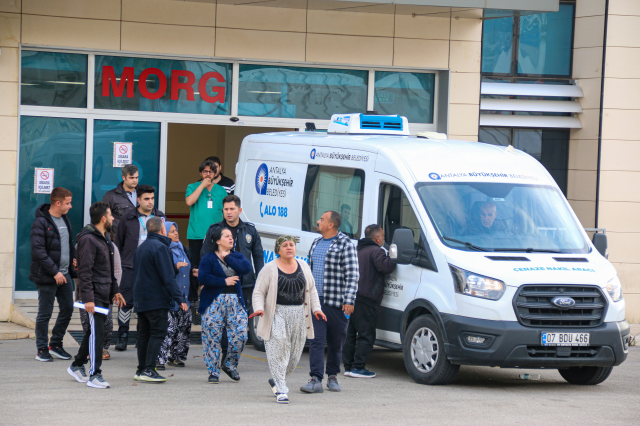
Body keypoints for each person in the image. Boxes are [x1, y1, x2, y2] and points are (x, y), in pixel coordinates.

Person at [251, 236, 326, 404]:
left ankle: (277, 380)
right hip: (276, 313)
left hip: (299, 314)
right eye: (285, 245)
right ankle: (282, 391)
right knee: (279, 348)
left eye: (291, 245)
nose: (289, 247)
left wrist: (317, 309)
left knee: (294, 357)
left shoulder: (304, 266)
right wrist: (259, 308)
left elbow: (312, 290)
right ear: (278, 249)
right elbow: (258, 292)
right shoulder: (269, 268)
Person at [67, 202, 125, 389]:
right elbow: (85, 271)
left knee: (93, 333)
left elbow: (108, 270)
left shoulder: (104, 238)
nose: (113, 218)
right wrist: (88, 299)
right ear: (103, 219)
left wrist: (115, 290)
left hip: (103, 292)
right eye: (110, 215)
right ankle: (95, 374)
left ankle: (77, 365)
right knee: (97, 334)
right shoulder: (88, 240)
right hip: (94, 296)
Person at [300, 211, 359, 394]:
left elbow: (352, 274)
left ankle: (332, 376)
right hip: (316, 302)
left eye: (322, 220)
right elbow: (309, 271)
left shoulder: (345, 244)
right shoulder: (316, 242)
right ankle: (315, 379)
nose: (318, 221)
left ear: (331, 225)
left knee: (335, 342)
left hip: (337, 303)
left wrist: (349, 300)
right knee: (316, 340)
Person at [201, 195, 264, 356]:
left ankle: (231, 354)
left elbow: (258, 256)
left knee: (239, 323)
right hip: (221, 283)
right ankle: (223, 355)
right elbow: (205, 254)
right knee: (220, 321)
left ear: (239, 210)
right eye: (226, 209)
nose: (229, 212)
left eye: (232, 209)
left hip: (245, 284)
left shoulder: (250, 230)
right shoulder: (214, 230)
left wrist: (261, 280)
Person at [132, 217, 188, 383]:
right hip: (156, 299)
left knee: (143, 334)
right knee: (157, 333)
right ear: (162, 230)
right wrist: (179, 298)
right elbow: (168, 276)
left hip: (141, 299)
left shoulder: (140, 248)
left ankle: (141, 368)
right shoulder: (161, 247)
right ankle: (149, 368)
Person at [114, 185, 166, 351]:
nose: (150, 202)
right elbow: (119, 242)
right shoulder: (128, 217)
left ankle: (142, 336)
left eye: (152, 198)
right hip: (130, 265)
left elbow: (166, 240)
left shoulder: (160, 217)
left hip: (153, 268)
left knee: (148, 302)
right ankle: (122, 336)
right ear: (138, 200)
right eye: (146, 199)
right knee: (126, 301)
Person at [29, 187, 77, 362]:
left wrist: (74, 259)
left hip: (64, 275)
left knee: (67, 309)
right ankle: (41, 348)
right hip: (47, 275)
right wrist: (54, 271)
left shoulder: (65, 219)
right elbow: (38, 251)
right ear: (58, 203)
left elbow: (68, 244)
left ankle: (55, 344)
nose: (70, 206)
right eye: (67, 203)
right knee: (45, 313)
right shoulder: (40, 222)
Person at [342, 225, 396, 378]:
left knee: (350, 334)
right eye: (383, 236)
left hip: (351, 298)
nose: (384, 239)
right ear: (377, 238)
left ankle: (348, 366)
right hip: (367, 300)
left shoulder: (357, 250)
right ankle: (359, 367)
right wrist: (393, 255)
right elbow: (386, 267)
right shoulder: (376, 251)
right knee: (366, 335)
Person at [198, 228, 251, 384]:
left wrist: (228, 258)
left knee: (241, 335)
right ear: (217, 241)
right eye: (227, 236)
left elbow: (246, 268)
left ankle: (229, 364)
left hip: (235, 301)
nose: (231, 238)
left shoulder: (237, 256)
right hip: (213, 301)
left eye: (232, 236)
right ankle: (213, 371)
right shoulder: (208, 258)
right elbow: (203, 276)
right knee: (211, 338)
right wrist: (223, 282)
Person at [157, 221, 196, 370]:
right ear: (164, 233)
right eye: (172, 231)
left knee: (184, 329)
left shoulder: (183, 250)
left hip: (185, 297)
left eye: (176, 230)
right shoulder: (164, 250)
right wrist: (175, 267)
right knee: (168, 329)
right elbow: (162, 273)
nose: (176, 233)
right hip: (170, 297)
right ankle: (160, 358)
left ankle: (177, 357)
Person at [78, 243, 122, 361]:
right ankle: (86, 353)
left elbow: (116, 269)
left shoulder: (111, 246)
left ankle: (103, 347)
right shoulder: (84, 243)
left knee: (106, 322)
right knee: (87, 322)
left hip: (105, 291)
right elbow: (79, 269)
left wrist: (115, 289)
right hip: (86, 291)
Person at [185, 159, 227, 269]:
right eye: (205, 171)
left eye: (211, 172)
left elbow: (226, 210)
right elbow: (189, 202)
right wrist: (201, 186)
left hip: (216, 235)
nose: (208, 174)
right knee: (196, 267)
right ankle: (195, 286)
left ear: (215, 174)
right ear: (200, 173)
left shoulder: (221, 190)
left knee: (215, 266)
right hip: (196, 234)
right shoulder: (192, 187)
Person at [102, 164, 139, 238]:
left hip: (139, 238)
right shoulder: (111, 196)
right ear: (123, 177)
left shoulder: (143, 194)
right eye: (131, 178)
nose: (135, 180)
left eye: (136, 177)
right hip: (119, 239)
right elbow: (103, 219)